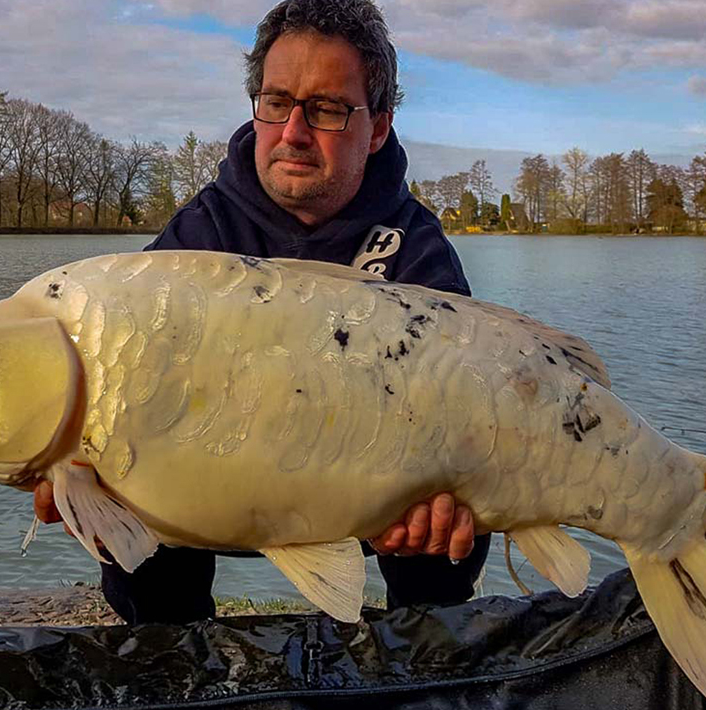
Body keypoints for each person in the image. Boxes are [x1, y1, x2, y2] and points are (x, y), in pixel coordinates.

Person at [32, 0, 489, 624]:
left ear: (378, 127)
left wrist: (456, 503)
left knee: (453, 511)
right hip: (212, 494)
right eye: (277, 103)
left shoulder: (415, 251)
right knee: (122, 476)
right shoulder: (199, 233)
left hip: (365, 499)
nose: (294, 133)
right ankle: (170, 654)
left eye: (327, 109)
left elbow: (473, 420)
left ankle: (425, 655)